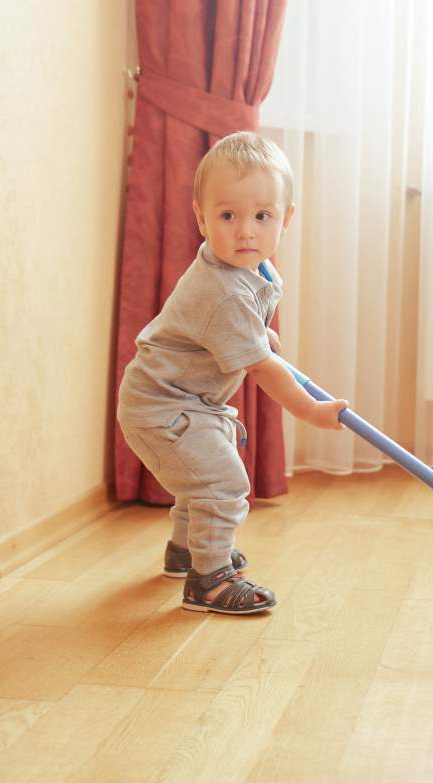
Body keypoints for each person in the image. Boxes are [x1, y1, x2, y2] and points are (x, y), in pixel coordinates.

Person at [116, 131, 347, 615]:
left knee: (199, 476)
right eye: (228, 216)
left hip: (183, 400)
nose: (246, 231)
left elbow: (245, 336)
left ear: (285, 220)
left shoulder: (256, 271)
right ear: (201, 217)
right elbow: (260, 368)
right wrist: (312, 411)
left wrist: (259, 338)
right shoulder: (224, 290)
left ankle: (187, 551)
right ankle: (209, 580)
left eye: (262, 217)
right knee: (222, 482)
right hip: (162, 406)